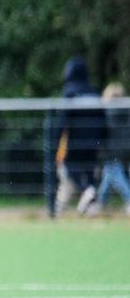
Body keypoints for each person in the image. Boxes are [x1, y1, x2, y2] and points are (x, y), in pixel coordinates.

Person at [51, 57, 107, 216]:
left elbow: (63, 120)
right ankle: (91, 208)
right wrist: (103, 140)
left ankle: (86, 191)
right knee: (89, 173)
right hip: (94, 142)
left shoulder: (70, 93)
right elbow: (103, 119)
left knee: (70, 168)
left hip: (76, 141)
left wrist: (55, 141)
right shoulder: (95, 92)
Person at [96, 82, 130, 215]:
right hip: (125, 150)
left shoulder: (105, 113)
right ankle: (101, 203)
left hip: (110, 151)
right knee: (108, 175)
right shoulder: (127, 111)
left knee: (114, 173)